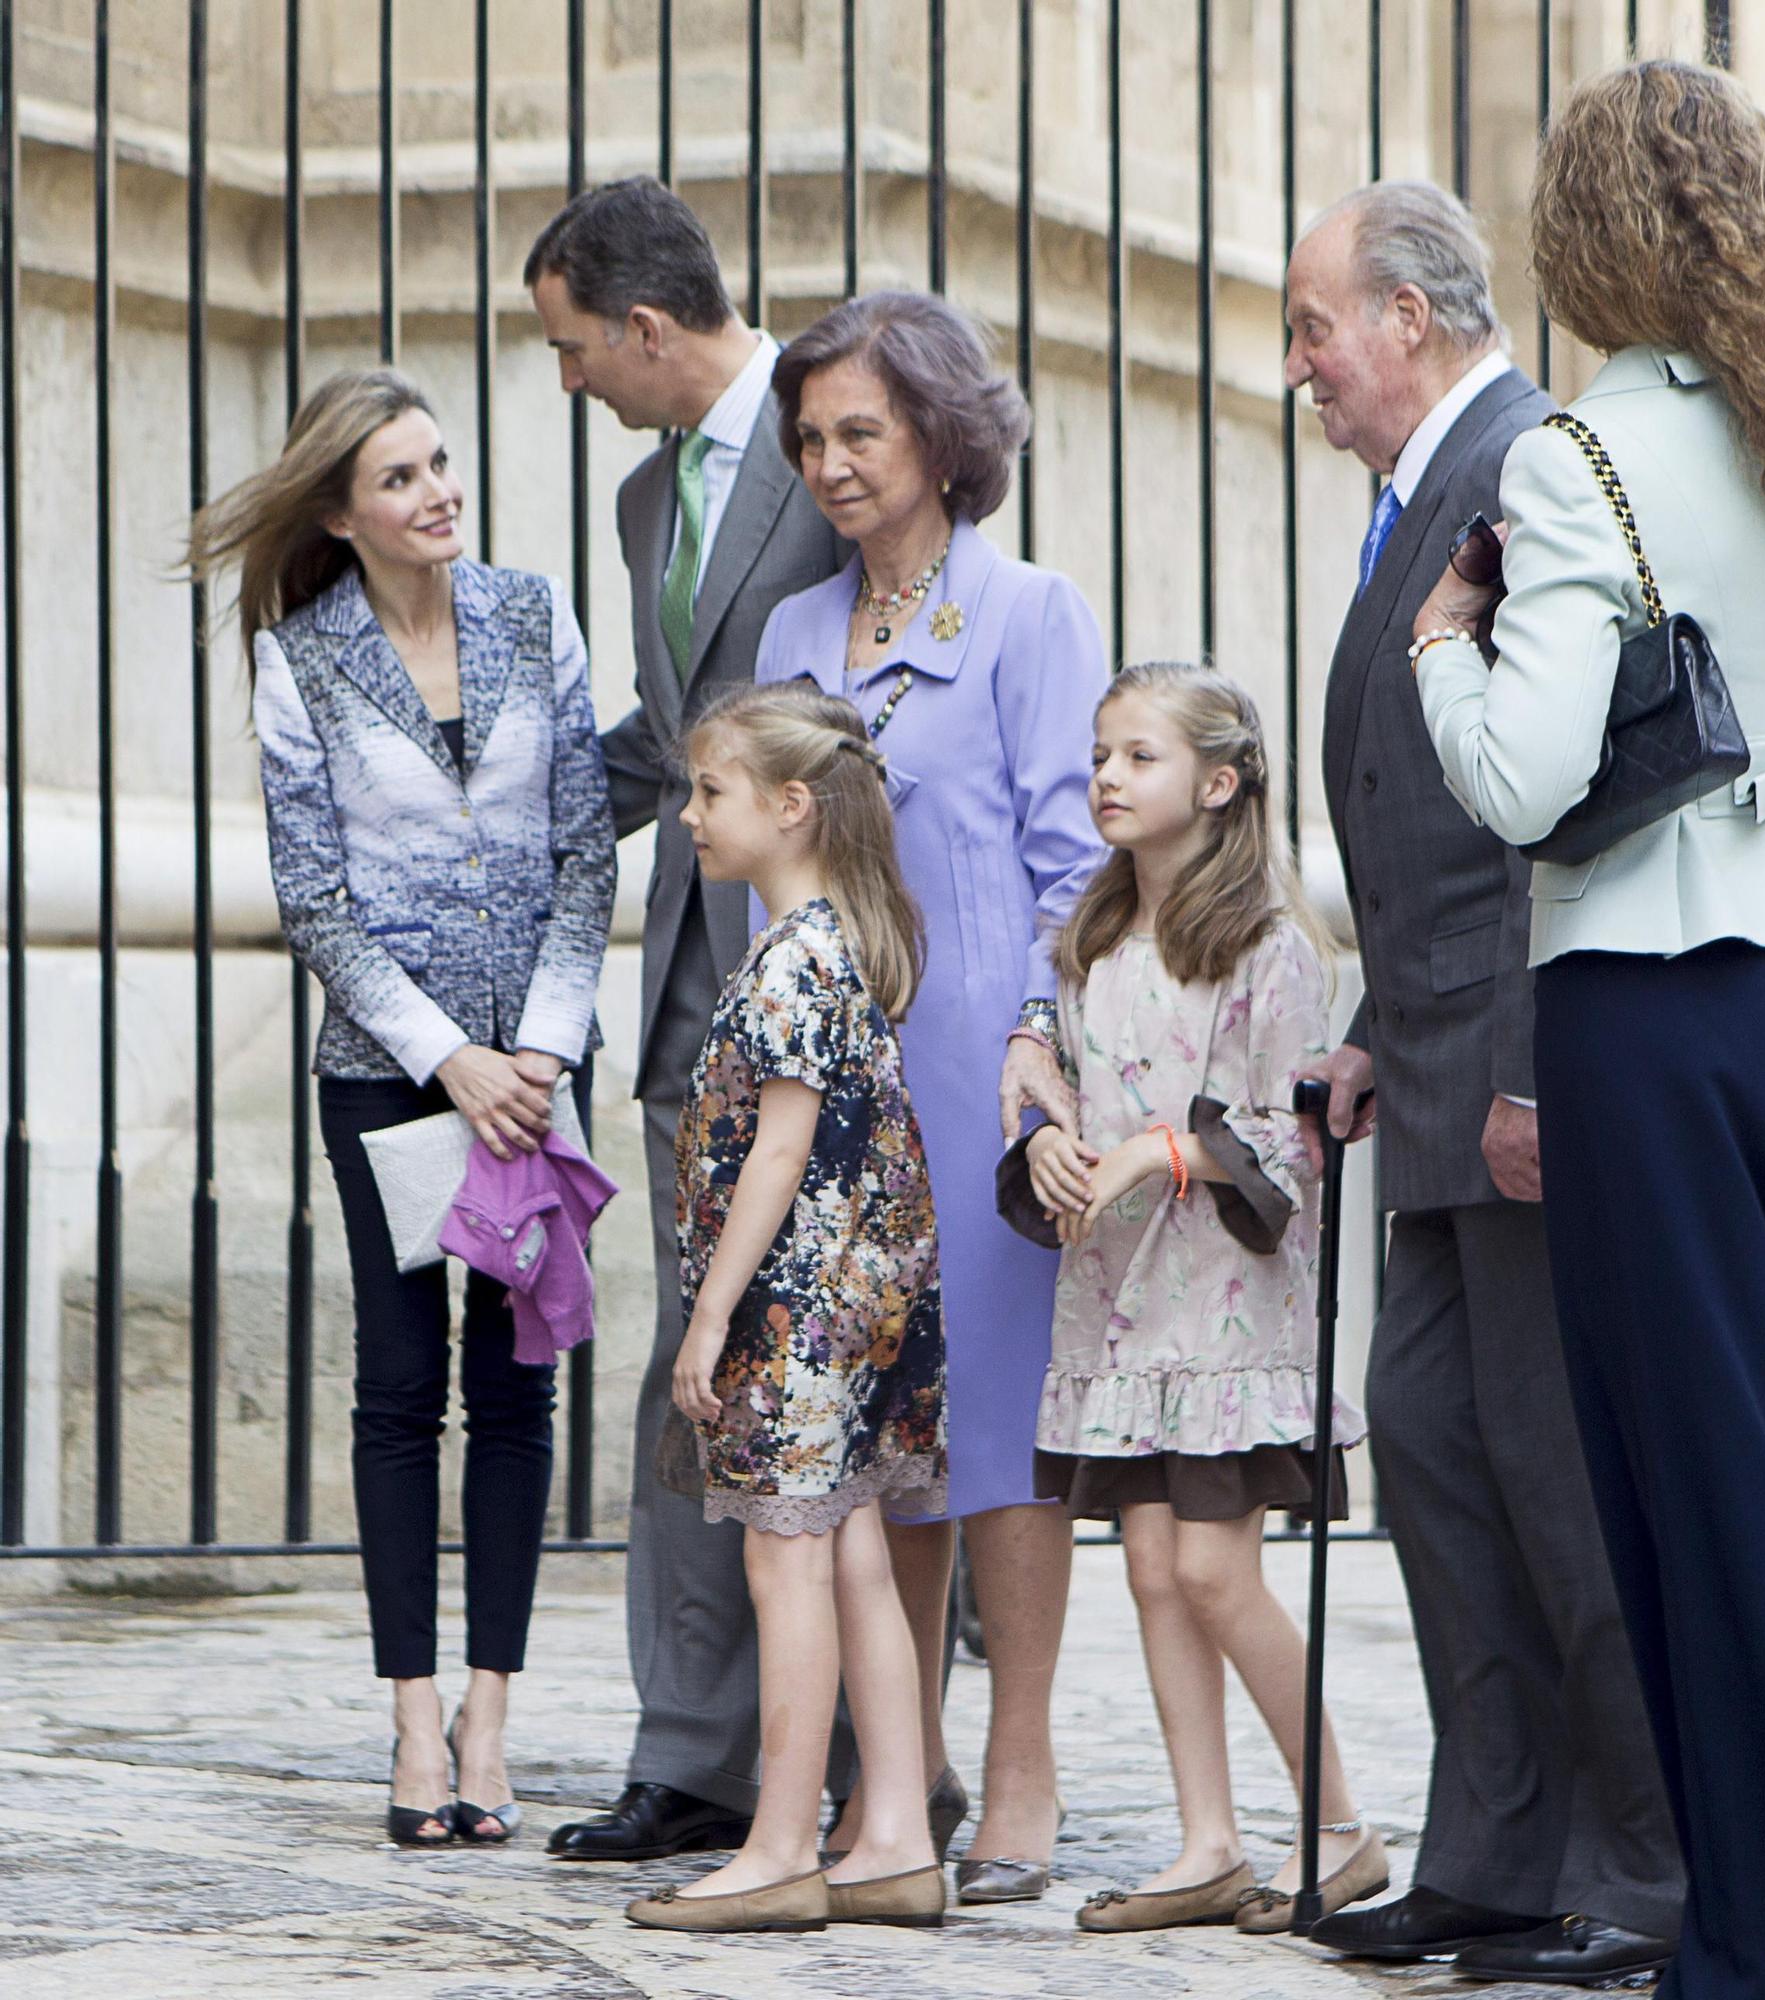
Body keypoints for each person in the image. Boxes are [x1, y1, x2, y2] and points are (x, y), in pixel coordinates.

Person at [1411, 60, 1765, 1999]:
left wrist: (1442, 641)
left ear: (1587, 239)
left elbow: (1518, 783)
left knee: (1697, 1490)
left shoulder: (1576, 455)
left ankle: (1764, 1953)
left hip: (1656, 1001)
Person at [1284, 181, 1683, 1983]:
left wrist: (1527, 1065)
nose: (1294, 365)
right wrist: (1375, 1018)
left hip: (1514, 1075)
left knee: (1552, 1477)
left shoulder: (1521, 463)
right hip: (1426, 1066)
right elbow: (1419, 817)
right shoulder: (1411, 498)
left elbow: (1557, 797)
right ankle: (1493, 1852)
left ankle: (1637, 1872)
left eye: (1310, 327)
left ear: (1411, 318)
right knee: (1435, 1460)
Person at [190, 368, 615, 1847]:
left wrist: (543, 1053)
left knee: (515, 1387)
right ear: (339, 513)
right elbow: (316, 901)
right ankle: (411, 1722)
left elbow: (583, 855)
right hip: (391, 1080)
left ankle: (492, 1720)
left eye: (440, 462)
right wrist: (451, 1061)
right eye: (399, 478)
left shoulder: (530, 612)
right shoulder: (297, 660)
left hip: (540, 1072)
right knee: (395, 1388)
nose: (437, 492)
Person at [757, 291, 1104, 1901]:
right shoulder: (788, 638)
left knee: (999, 1428)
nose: (830, 462)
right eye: (810, 436)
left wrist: (1039, 1053)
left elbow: (1073, 863)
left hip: (988, 1080)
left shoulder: (1026, 613)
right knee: (881, 1430)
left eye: (860, 432)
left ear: (941, 436)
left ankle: (1020, 1764)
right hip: (837, 1092)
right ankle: (912, 1770)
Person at [525, 178, 851, 1863]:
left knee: (841, 1375)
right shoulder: (649, 495)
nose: (567, 379)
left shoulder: (832, 423)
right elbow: (665, 746)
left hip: (828, 996)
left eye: (574, 347)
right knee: (694, 1375)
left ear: (645, 329)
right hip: (683, 1007)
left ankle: (869, 1748)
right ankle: (690, 1748)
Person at [995, 661, 1380, 1934]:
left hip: (1226, 1312)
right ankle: (1208, 1837)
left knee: (1215, 1570)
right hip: (1120, 1304)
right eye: (1101, 752)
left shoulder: (1269, 945)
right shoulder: (1090, 937)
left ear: (1217, 783)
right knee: (1156, 1568)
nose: (1107, 775)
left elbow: (1291, 1135)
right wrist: (1048, 1137)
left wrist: (1160, 1154)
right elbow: (1058, 1074)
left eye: (1138, 756)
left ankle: (1338, 1826)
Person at [626, 681, 947, 1935]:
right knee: (855, 1548)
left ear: (790, 806)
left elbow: (777, 1151)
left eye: (711, 792)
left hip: (799, 1314)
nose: (693, 814)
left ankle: (780, 1842)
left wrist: (707, 1319)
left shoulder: (795, 955)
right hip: (858, 1309)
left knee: (786, 1555)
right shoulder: (834, 944)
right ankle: (898, 1835)